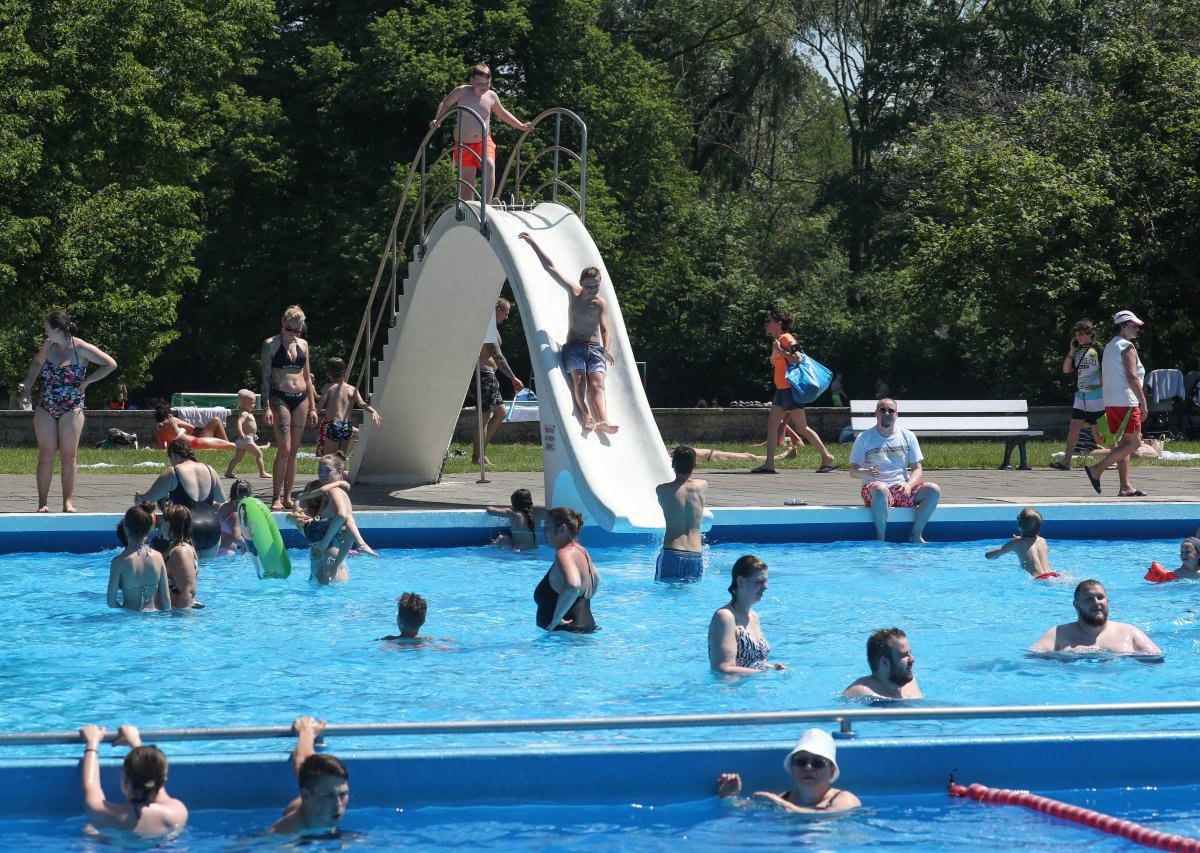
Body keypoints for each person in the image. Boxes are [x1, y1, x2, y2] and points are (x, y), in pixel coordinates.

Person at [518, 232, 618, 434]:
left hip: (595, 349)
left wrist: (606, 350)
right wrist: (533, 243)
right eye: (589, 286)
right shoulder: (573, 292)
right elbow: (551, 268)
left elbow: (606, 328)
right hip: (573, 347)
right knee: (579, 381)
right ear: (581, 283)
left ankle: (603, 420)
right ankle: (586, 415)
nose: (593, 290)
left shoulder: (601, 304)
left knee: (597, 383)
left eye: (596, 286)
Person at [20, 310, 117, 513]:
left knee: (68, 455)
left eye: (47, 328)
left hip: (72, 406)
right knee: (46, 454)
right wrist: (27, 389)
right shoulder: (48, 346)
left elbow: (110, 364)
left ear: (57, 329)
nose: (45, 331)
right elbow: (36, 364)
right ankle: (43, 503)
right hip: (46, 405)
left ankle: (67, 502)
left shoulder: (80, 348)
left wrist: (88, 381)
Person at [750, 310, 836, 474]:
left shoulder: (786, 338)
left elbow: (798, 358)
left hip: (790, 390)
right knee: (773, 425)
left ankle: (827, 457)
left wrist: (780, 351)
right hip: (782, 390)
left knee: (802, 428)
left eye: (769, 321)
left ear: (778, 324)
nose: (765, 324)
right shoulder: (776, 341)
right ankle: (769, 464)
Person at [430, 63, 532, 203]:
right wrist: (438, 119)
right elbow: (445, 104)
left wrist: (520, 125)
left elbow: (502, 113)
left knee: (489, 164)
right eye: (479, 83)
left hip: (483, 141)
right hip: (463, 143)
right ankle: (468, 209)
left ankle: (487, 205)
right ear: (471, 80)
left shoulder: (491, 96)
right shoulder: (462, 92)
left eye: (487, 83)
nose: (484, 86)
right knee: (467, 185)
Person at [848, 398, 941, 543]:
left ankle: (915, 535)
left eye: (891, 411)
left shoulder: (907, 436)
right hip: (875, 492)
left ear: (896, 415)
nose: (886, 413)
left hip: (902, 490)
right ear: (876, 413)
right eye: (882, 409)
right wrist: (866, 472)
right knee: (880, 488)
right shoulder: (864, 438)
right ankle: (881, 538)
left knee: (933, 490)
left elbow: (917, 468)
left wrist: (909, 485)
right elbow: (853, 471)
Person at [79, 723, 188, 840]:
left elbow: (91, 785)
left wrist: (92, 742)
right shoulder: (177, 813)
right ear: (163, 782)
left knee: (90, 831)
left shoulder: (104, 814)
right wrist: (135, 743)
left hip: (117, 843)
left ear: (124, 780)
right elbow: (154, 781)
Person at [717, 728, 860, 814]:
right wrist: (729, 797)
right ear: (791, 767)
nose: (808, 767)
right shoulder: (783, 799)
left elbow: (828, 816)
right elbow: (746, 811)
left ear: (832, 771)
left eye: (818, 763)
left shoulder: (845, 800)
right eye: (801, 762)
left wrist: (785, 806)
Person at [1084, 311, 1149, 497]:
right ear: (1122, 326)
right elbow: (1132, 376)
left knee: (1122, 445)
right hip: (1126, 401)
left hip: (1111, 401)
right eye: (1133, 326)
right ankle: (1097, 470)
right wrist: (1143, 402)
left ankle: (1125, 486)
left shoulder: (1110, 346)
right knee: (1135, 443)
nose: (1137, 329)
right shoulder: (1126, 346)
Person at [262, 305, 318, 511]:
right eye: (290, 329)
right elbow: (266, 378)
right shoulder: (271, 345)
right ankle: (275, 497)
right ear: (283, 324)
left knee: (294, 450)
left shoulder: (303, 344)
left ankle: (287, 497)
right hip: (281, 397)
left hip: (301, 398)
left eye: (297, 330)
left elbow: (307, 377)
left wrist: (313, 406)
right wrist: (266, 406)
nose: (293, 334)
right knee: (284, 449)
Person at [135, 438, 225, 558]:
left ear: (173, 454)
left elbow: (149, 498)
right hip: (213, 528)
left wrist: (138, 497)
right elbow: (221, 498)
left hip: (187, 529)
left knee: (184, 572)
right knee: (207, 573)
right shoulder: (210, 469)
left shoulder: (174, 472)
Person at [1029, 579, 1162, 656]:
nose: (1096, 602)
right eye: (1088, 599)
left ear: (1107, 602)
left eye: (1100, 597)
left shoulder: (1129, 632)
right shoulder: (1058, 634)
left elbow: (1157, 660)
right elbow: (1033, 659)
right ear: (1076, 605)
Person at [269, 716, 350, 835]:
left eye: (343, 794)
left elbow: (301, 759)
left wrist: (307, 731)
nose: (338, 803)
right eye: (328, 796)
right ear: (306, 796)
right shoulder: (284, 837)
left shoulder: (314, 787)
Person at [707, 555, 785, 674]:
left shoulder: (754, 616)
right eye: (759, 581)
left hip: (755, 686)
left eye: (766, 581)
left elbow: (757, 661)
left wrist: (773, 668)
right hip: (733, 689)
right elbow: (723, 669)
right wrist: (764, 674)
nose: (766, 587)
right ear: (741, 581)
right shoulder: (725, 617)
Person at [472, 298, 524, 465]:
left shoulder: (491, 327)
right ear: (498, 309)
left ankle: (481, 452)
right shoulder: (488, 327)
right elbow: (497, 356)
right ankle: (477, 457)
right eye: (506, 313)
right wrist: (512, 377)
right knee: (485, 416)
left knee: (501, 412)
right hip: (484, 374)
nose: (506, 317)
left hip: (489, 376)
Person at [534, 507, 599, 632]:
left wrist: (557, 618)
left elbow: (573, 585)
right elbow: (596, 580)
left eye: (547, 527)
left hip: (565, 636)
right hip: (585, 628)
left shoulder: (564, 553)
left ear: (562, 529)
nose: (544, 531)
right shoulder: (582, 551)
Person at [1050, 319, 1104, 471]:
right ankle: (1066, 461)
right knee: (1074, 426)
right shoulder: (1078, 351)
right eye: (1076, 334)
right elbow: (1066, 369)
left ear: (1090, 333)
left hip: (1096, 395)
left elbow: (1106, 370)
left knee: (1102, 434)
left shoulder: (1098, 349)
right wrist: (1071, 351)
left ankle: (1116, 458)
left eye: (1081, 334)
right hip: (1081, 395)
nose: (1078, 337)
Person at [655, 445, 708, 582]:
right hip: (695, 554)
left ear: (672, 464)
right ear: (695, 465)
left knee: (665, 595)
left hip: (672, 551)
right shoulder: (702, 485)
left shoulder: (662, 490)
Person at [287, 479, 354, 584]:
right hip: (321, 565)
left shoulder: (329, 516)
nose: (315, 495)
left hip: (330, 564)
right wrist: (290, 516)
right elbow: (304, 517)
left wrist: (338, 484)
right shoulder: (313, 519)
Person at [107, 505, 172, 611]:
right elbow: (166, 599)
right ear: (148, 530)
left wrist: (125, 611)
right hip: (153, 619)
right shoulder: (158, 557)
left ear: (125, 529)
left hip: (130, 621)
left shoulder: (118, 562)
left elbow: (111, 602)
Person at [316, 357, 382, 456]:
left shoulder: (328, 387)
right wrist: (373, 411)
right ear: (345, 371)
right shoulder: (352, 389)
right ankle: (341, 471)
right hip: (347, 426)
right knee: (340, 459)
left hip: (334, 424)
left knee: (329, 458)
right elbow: (362, 403)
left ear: (328, 374)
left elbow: (320, 405)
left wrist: (312, 412)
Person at [843, 627, 922, 699]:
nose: (912, 659)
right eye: (904, 655)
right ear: (884, 662)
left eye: (910, 653)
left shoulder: (911, 683)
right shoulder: (859, 693)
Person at [985, 507, 1058, 580]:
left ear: (1019, 527)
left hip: (1038, 579)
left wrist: (1011, 545)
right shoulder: (1042, 541)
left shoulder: (1016, 543)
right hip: (1053, 576)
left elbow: (988, 556)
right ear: (1039, 528)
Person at [225, 390, 270, 478]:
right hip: (246, 439)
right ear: (244, 403)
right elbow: (239, 423)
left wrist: (253, 435)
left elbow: (248, 427)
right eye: (252, 403)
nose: (254, 405)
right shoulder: (244, 413)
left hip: (244, 439)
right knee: (259, 454)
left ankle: (228, 472)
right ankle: (262, 472)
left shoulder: (247, 413)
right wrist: (240, 432)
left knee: (238, 458)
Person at [162, 504, 200, 609]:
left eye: (162, 522)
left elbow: (188, 591)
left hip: (182, 613)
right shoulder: (180, 546)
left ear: (168, 525)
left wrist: (178, 622)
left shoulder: (181, 551)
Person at [153, 402, 234, 451]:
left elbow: (162, 447)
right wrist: (187, 435)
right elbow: (191, 427)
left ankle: (227, 445)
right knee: (232, 446)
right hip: (195, 442)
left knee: (226, 445)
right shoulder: (172, 420)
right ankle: (230, 444)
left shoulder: (158, 430)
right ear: (168, 414)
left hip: (188, 447)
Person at [216, 479, 252, 557]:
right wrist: (248, 545)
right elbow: (236, 538)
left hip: (216, 550)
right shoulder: (235, 515)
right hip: (226, 554)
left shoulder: (221, 506)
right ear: (245, 498)